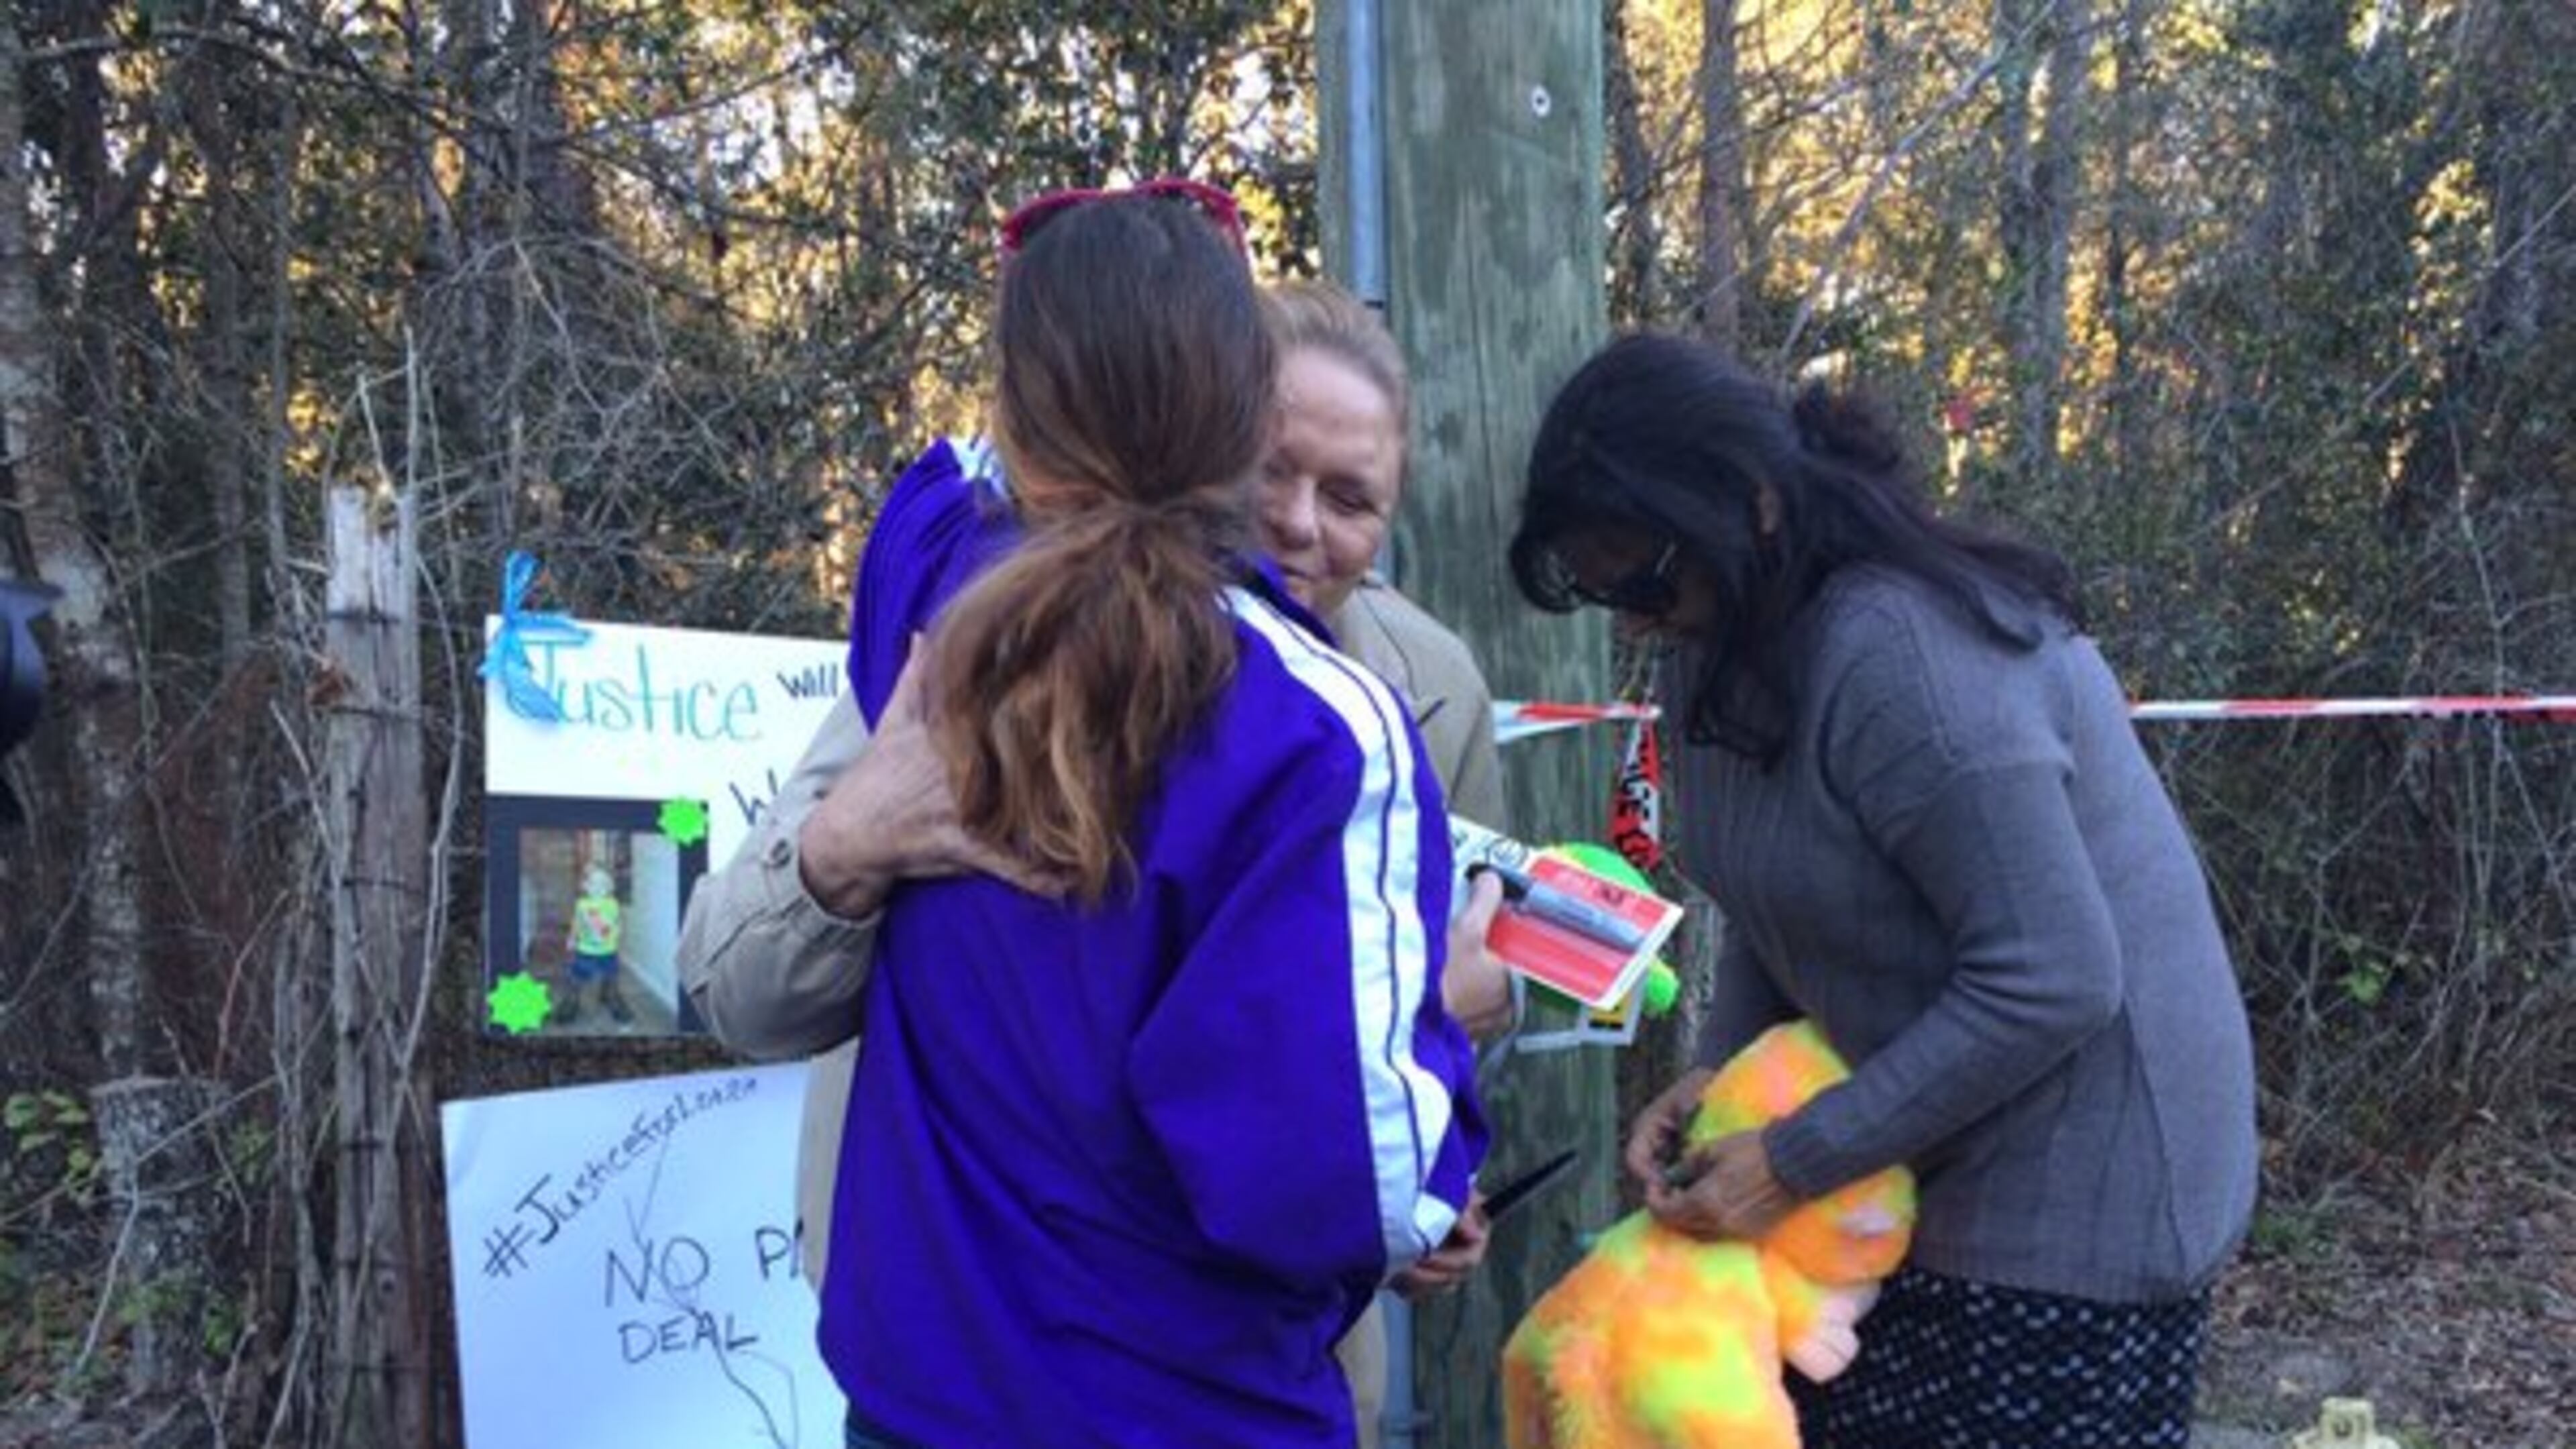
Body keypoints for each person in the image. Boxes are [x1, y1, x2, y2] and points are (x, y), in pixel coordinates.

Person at [814, 182, 1486, 1447]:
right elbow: (1344, 1188)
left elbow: (956, 474)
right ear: (1250, 422)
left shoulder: (927, 582)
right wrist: (1438, 1024)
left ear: (1018, 413)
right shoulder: (1315, 735)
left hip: (918, 1402)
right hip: (1184, 1413)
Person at [1507, 333, 2257, 1446]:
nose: (1630, 618)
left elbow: (2054, 976)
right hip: (1907, 1152)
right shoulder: (1712, 641)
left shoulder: (1908, 660)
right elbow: (1776, 894)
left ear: (1755, 506)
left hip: (2085, 1186)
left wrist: (1792, 1160)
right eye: (1600, 588)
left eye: (1647, 580)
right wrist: (1717, 1077)